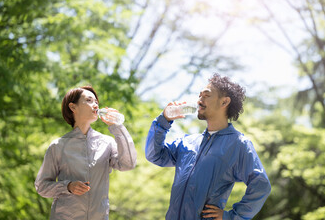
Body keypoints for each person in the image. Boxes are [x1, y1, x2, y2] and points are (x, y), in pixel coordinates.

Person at [145, 74, 271, 220]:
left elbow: (261, 185)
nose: (199, 100)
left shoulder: (238, 144)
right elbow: (155, 155)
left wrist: (231, 216)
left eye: (206, 95)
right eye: (199, 96)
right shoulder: (187, 142)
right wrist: (163, 121)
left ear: (224, 102)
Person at [35, 86, 137, 220]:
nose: (95, 105)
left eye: (96, 102)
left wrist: (117, 127)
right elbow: (42, 186)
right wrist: (68, 186)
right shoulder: (58, 146)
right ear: (73, 107)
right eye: (89, 100)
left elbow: (128, 164)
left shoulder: (107, 142)